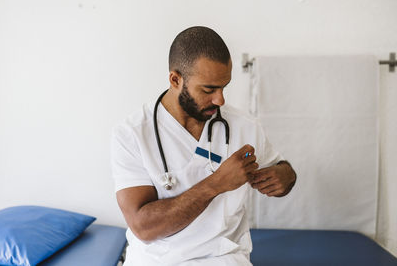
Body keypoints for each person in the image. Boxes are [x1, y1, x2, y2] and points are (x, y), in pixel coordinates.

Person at [111, 26, 296, 266]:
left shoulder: (245, 127)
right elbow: (143, 228)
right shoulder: (131, 135)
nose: (220, 100)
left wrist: (284, 177)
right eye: (209, 90)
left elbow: (282, 170)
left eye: (224, 87)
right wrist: (217, 183)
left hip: (225, 259)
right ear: (175, 79)